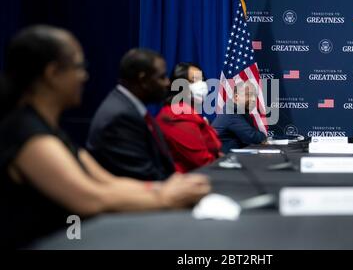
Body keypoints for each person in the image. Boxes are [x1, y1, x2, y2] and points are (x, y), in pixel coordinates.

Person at [0, 26, 210, 248]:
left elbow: (108, 182)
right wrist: (165, 197)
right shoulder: (29, 135)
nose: (85, 76)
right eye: (79, 66)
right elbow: (90, 198)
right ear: (52, 73)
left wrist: (165, 187)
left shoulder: (49, 130)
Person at [87, 49, 175, 181]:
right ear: (143, 80)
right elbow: (144, 177)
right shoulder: (121, 118)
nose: (167, 83)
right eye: (161, 77)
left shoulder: (127, 107)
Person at [156, 63, 222, 173]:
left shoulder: (190, 112)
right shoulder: (177, 114)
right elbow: (202, 161)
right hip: (186, 180)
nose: (201, 85)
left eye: (202, 80)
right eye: (193, 81)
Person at [212, 81, 267, 153]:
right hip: (224, 159)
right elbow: (253, 137)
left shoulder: (241, 111)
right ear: (236, 97)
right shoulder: (231, 113)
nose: (254, 99)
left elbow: (254, 134)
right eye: (249, 95)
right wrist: (262, 136)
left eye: (255, 96)